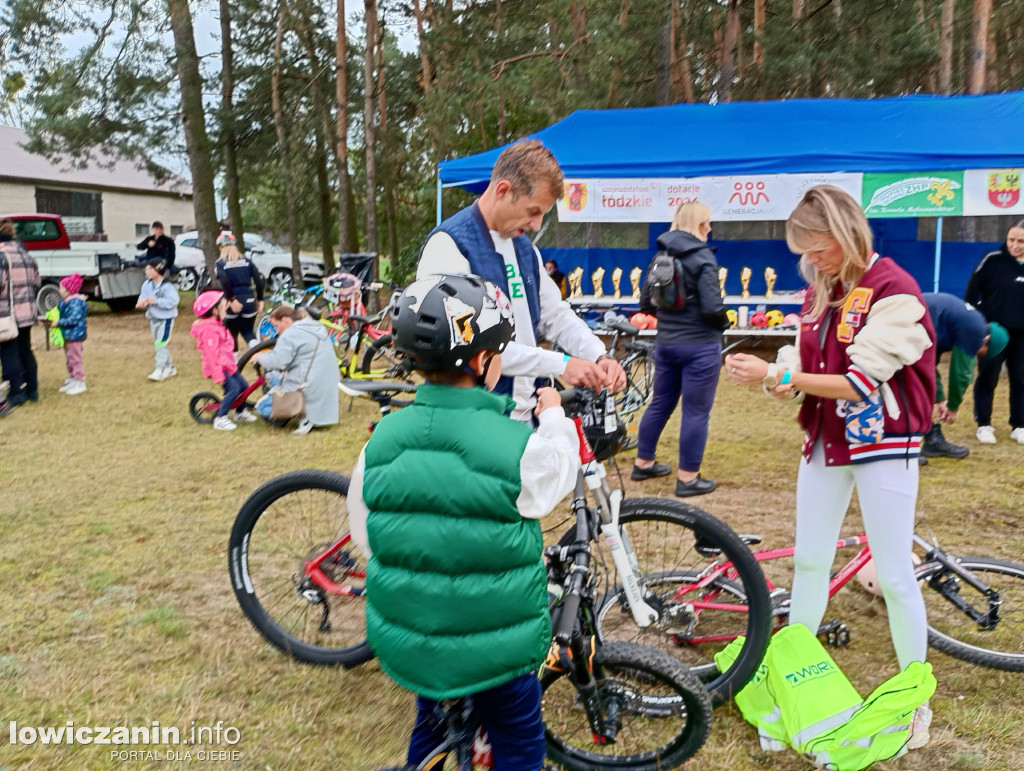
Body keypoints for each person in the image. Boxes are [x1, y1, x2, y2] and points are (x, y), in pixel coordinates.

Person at [724, 185, 935, 748]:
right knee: (811, 563)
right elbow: (800, 360)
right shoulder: (819, 291)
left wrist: (782, 377)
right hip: (825, 442)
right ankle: (794, 682)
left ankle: (916, 701)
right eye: (804, 250)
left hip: (885, 443)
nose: (810, 260)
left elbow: (861, 382)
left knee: (893, 574)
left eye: (818, 248)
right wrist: (779, 375)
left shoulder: (895, 290)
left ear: (846, 234)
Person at [348, 274, 580, 771]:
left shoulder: (381, 439)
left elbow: (368, 535)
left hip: (410, 632)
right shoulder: (515, 445)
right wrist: (555, 416)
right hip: (497, 647)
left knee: (430, 720)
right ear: (482, 362)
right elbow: (558, 475)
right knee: (517, 734)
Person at [417, 139, 625, 422]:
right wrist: (561, 364)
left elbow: (556, 315)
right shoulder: (448, 244)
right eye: (534, 211)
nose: (537, 225)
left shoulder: (525, 249)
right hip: (472, 419)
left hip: (528, 414)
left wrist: (599, 355)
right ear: (503, 190)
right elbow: (469, 344)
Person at [632, 201, 730, 497]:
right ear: (700, 225)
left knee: (660, 402)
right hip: (700, 345)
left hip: (666, 344)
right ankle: (688, 479)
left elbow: (646, 304)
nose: (710, 228)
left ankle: (643, 462)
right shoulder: (703, 258)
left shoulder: (660, 255)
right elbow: (713, 307)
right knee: (696, 411)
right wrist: (723, 323)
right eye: (708, 223)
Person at [920, 292, 1009, 459]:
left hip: (914, 320)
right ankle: (906, 446)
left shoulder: (962, 323)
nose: (977, 354)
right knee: (910, 384)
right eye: (982, 353)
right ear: (986, 339)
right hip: (907, 322)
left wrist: (940, 398)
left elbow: (929, 365)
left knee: (918, 381)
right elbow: (960, 374)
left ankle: (930, 440)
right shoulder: (975, 331)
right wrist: (953, 407)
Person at [964, 220, 1024, 445]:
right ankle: (984, 424)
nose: (1014, 245)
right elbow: (971, 296)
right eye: (1011, 240)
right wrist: (979, 324)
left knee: (1020, 378)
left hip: (1022, 334)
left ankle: (1019, 425)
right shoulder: (992, 260)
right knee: (987, 377)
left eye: (1020, 241)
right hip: (993, 331)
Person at [249, 305, 339, 435]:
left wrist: (259, 357)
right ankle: (304, 411)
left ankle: (304, 414)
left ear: (285, 320)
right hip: (325, 387)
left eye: (276, 326)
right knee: (275, 379)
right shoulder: (315, 327)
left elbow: (278, 362)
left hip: (307, 387)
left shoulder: (290, 334)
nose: (276, 331)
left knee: (262, 408)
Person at [190, 290, 258, 431]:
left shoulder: (216, 324)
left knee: (244, 386)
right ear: (215, 311)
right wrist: (218, 375)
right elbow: (211, 354)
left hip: (228, 365)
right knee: (233, 389)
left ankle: (239, 412)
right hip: (219, 367)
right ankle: (220, 418)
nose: (226, 309)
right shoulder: (209, 329)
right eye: (223, 307)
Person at [0, 218, 41, 407]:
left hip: (8, 314)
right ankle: (32, 390)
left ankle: (16, 393)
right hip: (27, 311)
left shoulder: (1, 256)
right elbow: (36, 283)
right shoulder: (26, 256)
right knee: (26, 350)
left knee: (9, 353)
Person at [214, 232, 265, 351]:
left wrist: (231, 299)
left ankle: (234, 365)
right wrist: (260, 299)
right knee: (248, 332)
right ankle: (260, 357)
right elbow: (259, 279)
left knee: (231, 334)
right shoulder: (247, 261)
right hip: (249, 298)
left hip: (233, 299)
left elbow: (225, 282)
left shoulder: (220, 263)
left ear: (221, 247)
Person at [135, 258, 180, 381]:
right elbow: (143, 296)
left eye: (150, 269)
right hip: (153, 319)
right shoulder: (147, 284)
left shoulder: (168, 286)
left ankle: (159, 369)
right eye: (146, 269)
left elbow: (173, 302)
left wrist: (156, 301)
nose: (147, 272)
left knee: (161, 343)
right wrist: (141, 302)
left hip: (166, 320)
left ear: (158, 269)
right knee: (159, 344)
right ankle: (170, 367)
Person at [54, 273, 89, 396]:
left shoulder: (76, 303)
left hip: (75, 336)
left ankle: (80, 382)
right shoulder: (67, 302)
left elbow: (74, 320)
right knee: (69, 358)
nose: (60, 290)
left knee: (75, 358)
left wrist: (59, 323)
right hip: (68, 336)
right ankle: (73, 378)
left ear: (69, 290)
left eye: (62, 288)